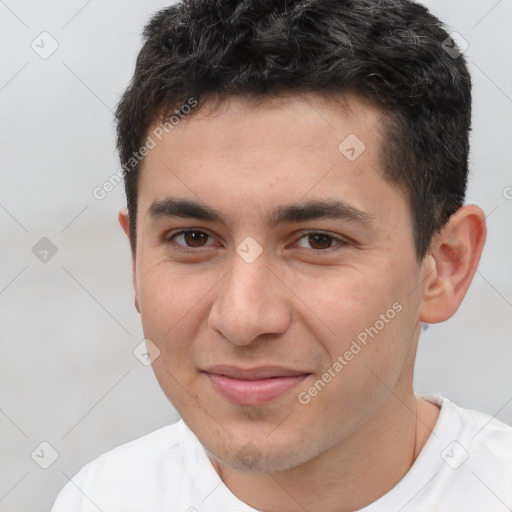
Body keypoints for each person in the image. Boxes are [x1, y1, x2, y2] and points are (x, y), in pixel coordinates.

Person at [52, 0, 512, 510]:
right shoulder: (102, 498)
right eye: (193, 238)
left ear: (444, 266)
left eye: (318, 240)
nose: (243, 319)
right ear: (136, 260)